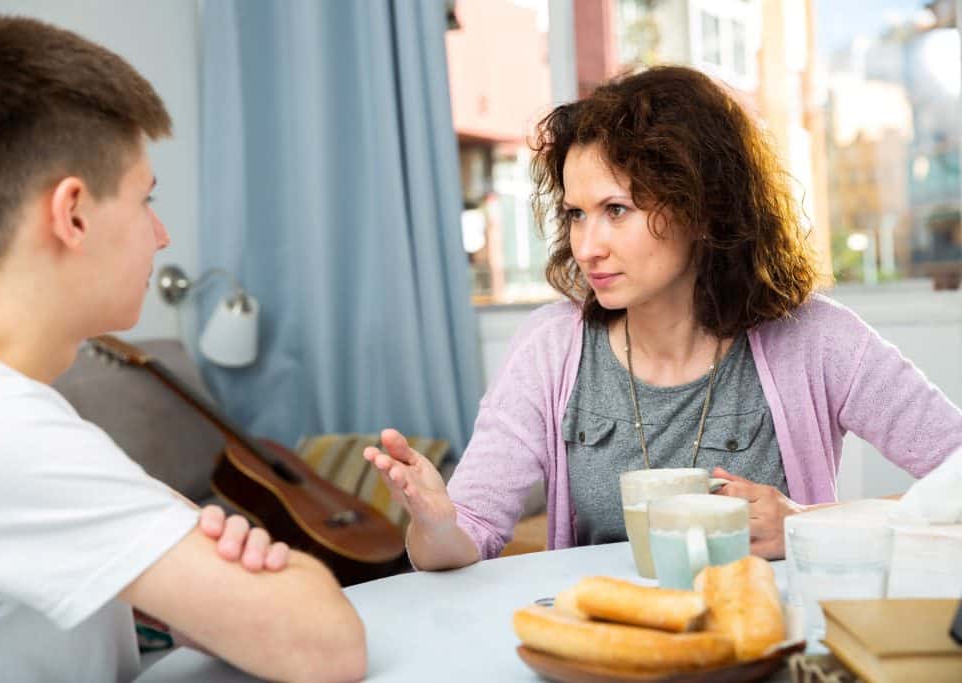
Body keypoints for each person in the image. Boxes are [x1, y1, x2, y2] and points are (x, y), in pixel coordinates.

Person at [364, 65, 962, 570]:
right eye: (576, 214)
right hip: (607, 649)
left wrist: (806, 524)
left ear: (703, 209)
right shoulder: (551, 347)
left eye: (616, 210)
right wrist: (434, 523)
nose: (587, 246)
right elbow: (466, 532)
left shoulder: (819, 339)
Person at [0, 14, 365, 682]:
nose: (161, 234)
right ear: (72, 213)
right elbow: (329, 643)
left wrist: (172, 577)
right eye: (146, 199)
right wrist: (195, 541)